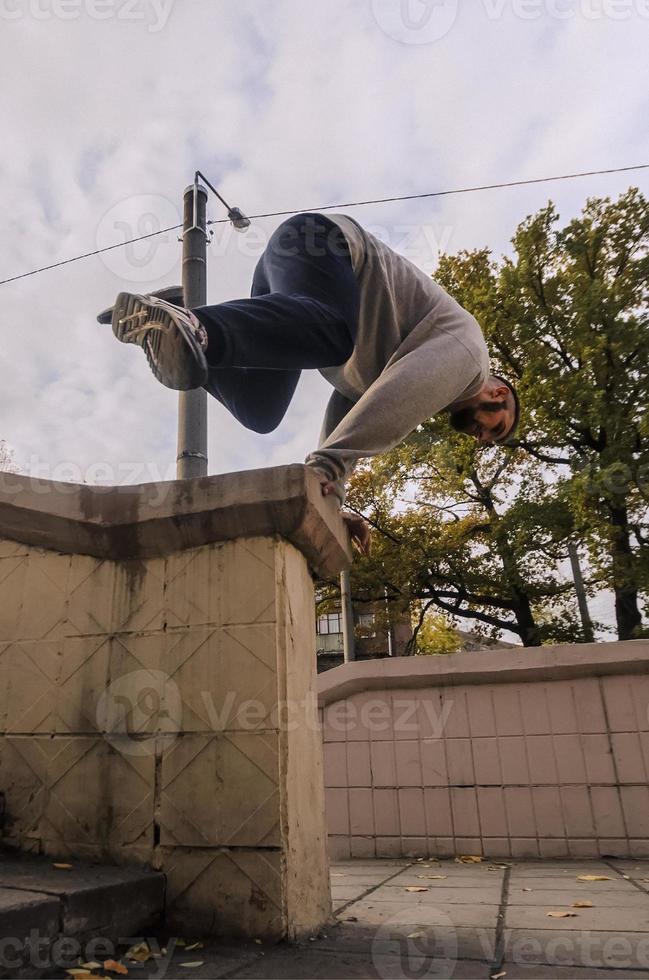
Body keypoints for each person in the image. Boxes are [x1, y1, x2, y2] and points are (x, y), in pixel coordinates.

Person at [100, 212, 520, 556]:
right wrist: (329, 465)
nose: (483, 438)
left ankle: (178, 313)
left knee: (259, 410)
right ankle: (197, 326)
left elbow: (357, 411)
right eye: (495, 427)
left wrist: (330, 495)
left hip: (284, 274)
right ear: (498, 394)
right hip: (322, 243)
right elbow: (397, 402)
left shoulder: (413, 360)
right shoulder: (469, 360)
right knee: (333, 336)